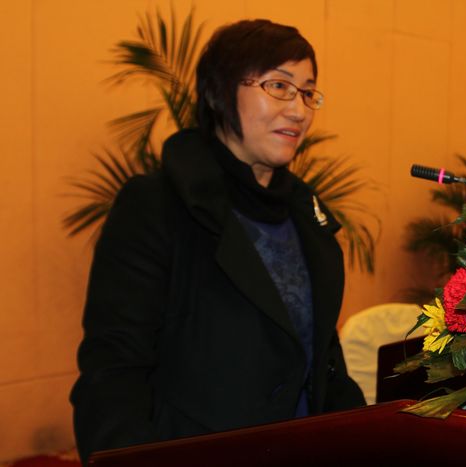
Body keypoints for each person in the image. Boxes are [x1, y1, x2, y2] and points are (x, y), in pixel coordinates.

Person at [70, 19, 365, 463]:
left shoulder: (309, 219)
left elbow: (323, 365)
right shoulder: (157, 206)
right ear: (220, 91)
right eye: (279, 86)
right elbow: (113, 373)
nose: (299, 110)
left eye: (308, 93)